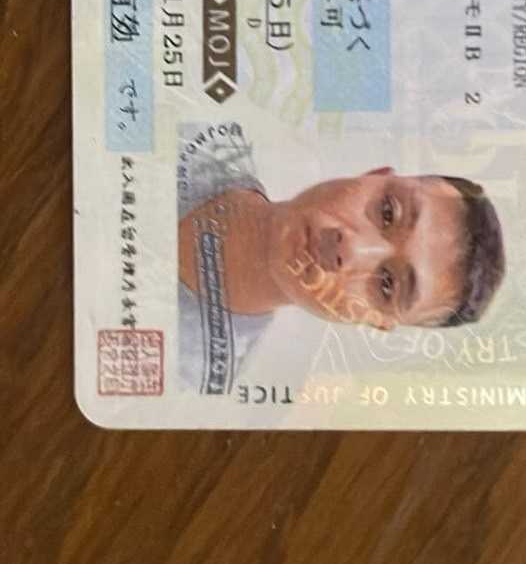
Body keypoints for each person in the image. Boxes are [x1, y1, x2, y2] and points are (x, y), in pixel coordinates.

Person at [176, 122, 506, 394]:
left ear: (375, 321)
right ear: (375, 174)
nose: (351, 250)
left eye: (387, 284)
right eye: (387, 212)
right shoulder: (195, 130)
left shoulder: (195, 379)